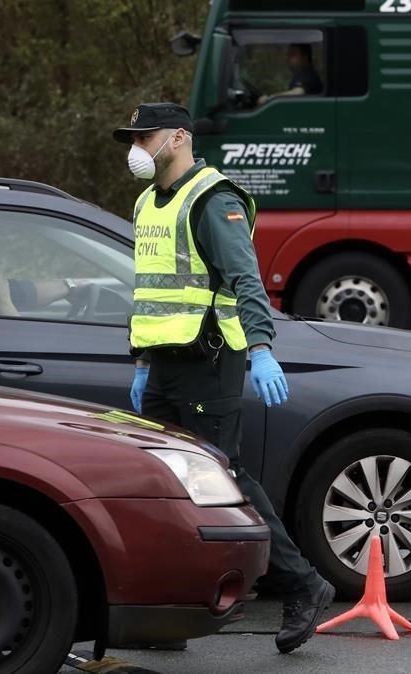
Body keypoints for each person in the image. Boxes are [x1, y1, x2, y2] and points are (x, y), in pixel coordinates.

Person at [114, 102, 334, 654]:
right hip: (165, 362)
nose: (137, 147)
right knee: (164, 483)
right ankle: (174, 612)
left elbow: (245, 278)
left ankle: (302, 583)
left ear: (180, 138)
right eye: (134, 138)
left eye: (147, 137)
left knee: (224, 476)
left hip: (211, 359)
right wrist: (142, 363)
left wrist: (261, 349)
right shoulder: (148, 201)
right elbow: (151, 289)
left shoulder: (213, 198)